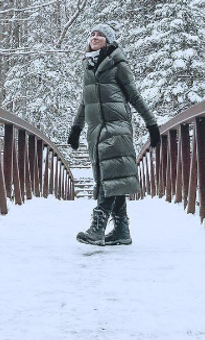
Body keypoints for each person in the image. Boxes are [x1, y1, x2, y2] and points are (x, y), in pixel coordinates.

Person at [68, 24, 160, 246]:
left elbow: (134, 96)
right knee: (112, 178)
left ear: (109, 40)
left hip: (116, 127)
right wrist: (76, 128)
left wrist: (152, 124)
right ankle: (121, 231)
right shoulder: (88, 66)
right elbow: (85, 101)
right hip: (96, 130)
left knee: (111, 176)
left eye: (100, 34)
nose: (95, 37)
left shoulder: (118, 64)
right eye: (92, 34)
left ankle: (97, 229)